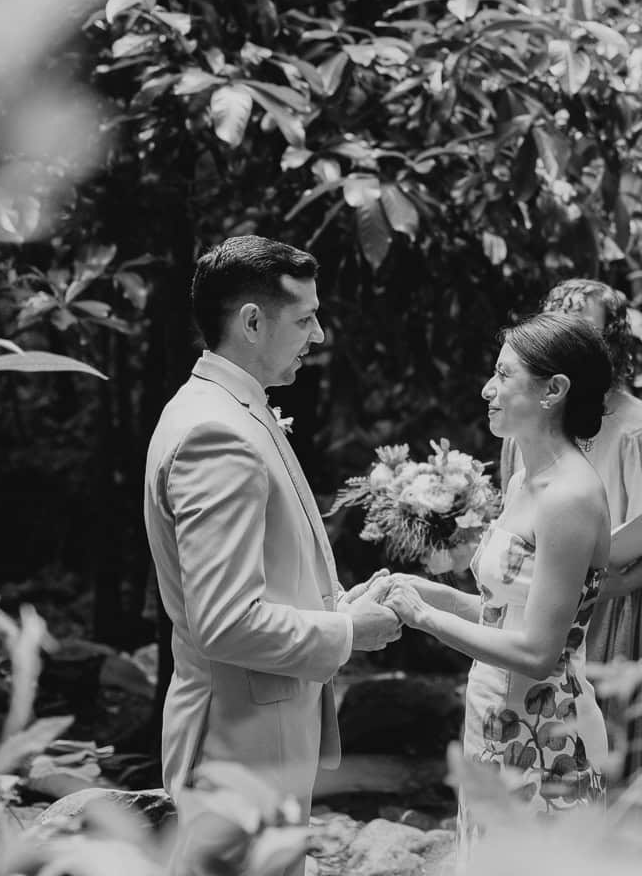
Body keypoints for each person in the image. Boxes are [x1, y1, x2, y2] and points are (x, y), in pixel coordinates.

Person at [143, 235, 402, 834]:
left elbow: (262, 573)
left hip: (259, 738)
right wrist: (347, 632)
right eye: (305, 319)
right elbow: (225, 620)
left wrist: (337, 603)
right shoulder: (216, 432)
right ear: (252, 322)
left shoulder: (233, 407)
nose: (319, 336)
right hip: (237, 749)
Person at [382, 312, 612, 842]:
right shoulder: (522, 482)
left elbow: (537, 652)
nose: (488, 388)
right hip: (493, 716)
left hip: (545, 730)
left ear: (554, 389)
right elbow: (502, 614)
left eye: (504, 375)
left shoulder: (569, 497)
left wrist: (426, 619)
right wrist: (419, 590)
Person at [501, 279, 642, 781]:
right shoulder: (522, 425)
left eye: (580, 326)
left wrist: (619, 583)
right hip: (540, 600)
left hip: (619, 607)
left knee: (615, 743)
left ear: (611, 339)